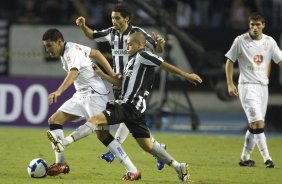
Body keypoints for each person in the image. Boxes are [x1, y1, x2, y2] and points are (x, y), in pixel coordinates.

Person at [50, 32, 202, 182]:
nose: (127, 46)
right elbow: (120, 84)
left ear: (140, 45)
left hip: (129, 105)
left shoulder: (144, 55)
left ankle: (64, 142)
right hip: (134, 109)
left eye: (130, 44)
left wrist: (187, 75)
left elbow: (164, 65)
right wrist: (103, 75)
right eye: (127, 43)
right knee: (148, 145)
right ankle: (178, 166)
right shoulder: (131, 62)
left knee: (96, 120)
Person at [75, 2, 167, 170]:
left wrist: (160, 43)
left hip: (136, 83)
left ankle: (115, 148)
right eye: (112, 18)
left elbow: (157, 48)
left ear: (127, 19)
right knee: (133, 121)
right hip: (119, 82)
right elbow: (93, 35)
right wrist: (83, 26)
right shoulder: (111, 33)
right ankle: (159, 149)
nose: (114, 21)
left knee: (127, 114)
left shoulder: (137, 33)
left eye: (117, 18)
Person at [42, 28, 140, 178]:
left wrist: (58, 92)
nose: (47, 50)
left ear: (59, 42)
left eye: (49, 46)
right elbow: (96, 53)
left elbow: (74, 73)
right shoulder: (72, 48)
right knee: (54, 120)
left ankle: (132, 170)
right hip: (81, 94)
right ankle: (61, 163)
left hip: (95, 95)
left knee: (103, 135)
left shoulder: (71, 52)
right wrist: (111, 72)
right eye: (45, 46)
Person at [225, 12, 282, 168]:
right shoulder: (240, 41)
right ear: (249, 26)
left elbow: (280, 60)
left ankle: (244, 158)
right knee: (258, 123)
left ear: (263, 25)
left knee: (253, 126)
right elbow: (230, 61)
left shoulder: (270, 42)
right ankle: (267, 158)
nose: (255, 28)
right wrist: (230, 83)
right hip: (247, 86)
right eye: (252, 25)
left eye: (258, 25)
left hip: (263, 87)